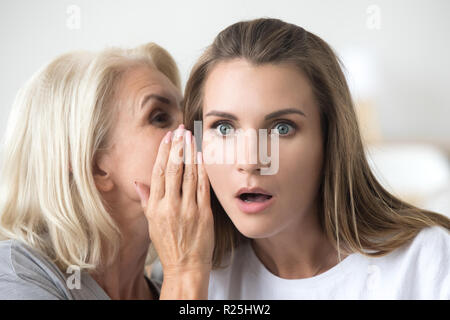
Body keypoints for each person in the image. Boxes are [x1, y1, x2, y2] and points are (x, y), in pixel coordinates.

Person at [180, 18, 450, 299]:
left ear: (330, 139)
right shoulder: (195, 278)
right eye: (224, 128)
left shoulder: (425, 264)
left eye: (281, 128)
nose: (250, 161)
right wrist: (185, 275)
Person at [0, 42, 213, 299]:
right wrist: (184, 269)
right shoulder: (16, 275)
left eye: (189, 114)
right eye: (158, 117)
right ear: (93, 166)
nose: (192, 129)